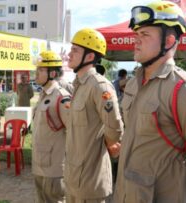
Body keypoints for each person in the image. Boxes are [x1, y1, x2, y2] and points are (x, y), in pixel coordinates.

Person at [113, 1, 186, 202]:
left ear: (169, 41)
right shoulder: (134, 84)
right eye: (136, 35)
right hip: (127, 193)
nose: (135, 41)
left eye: (144, 35)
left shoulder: (184, 89)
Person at [65, 28, 124, 203]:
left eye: (75, 50)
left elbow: (115, 128)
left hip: (91, 178)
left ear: (90, 57)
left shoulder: (100, 86)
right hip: (73, 176)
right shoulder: (79, 85)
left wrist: (105, 144)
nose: (69, 54)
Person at [32, 51, 71, 203]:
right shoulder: (43, 95)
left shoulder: (61, 97)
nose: (36, 74)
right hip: (39, 166)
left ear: (52, 73)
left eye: (40, 70)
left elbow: (74, 132)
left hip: (55, 169)